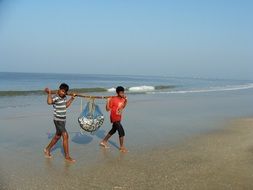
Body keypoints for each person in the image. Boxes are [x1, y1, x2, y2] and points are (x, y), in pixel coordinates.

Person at [43, 83, 76, 163]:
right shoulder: (56, 97)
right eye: (62, 91)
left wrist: (72, 98)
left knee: (57, 136)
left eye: (64, 92)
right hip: (57, 120)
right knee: (65, 135)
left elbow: (65, 106)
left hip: (63, 120)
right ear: (59, 90)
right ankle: (67, 156)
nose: (63, 93)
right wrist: (50, 93)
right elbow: (49, 102)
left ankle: (47, 149)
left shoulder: (64, 97)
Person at [100, 86, 128, 152]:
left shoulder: (123, 99)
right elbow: (107, 109)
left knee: (113, 130)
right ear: (117, 93)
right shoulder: (113, 99)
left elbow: (123, 106)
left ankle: (103, 142)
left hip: (119, 117)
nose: (122, 94)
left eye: (123, 92)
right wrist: (107, 101)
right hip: (114, 117)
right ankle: (121, 147)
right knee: (121, 131)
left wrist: (126, 100)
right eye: (121, 93)